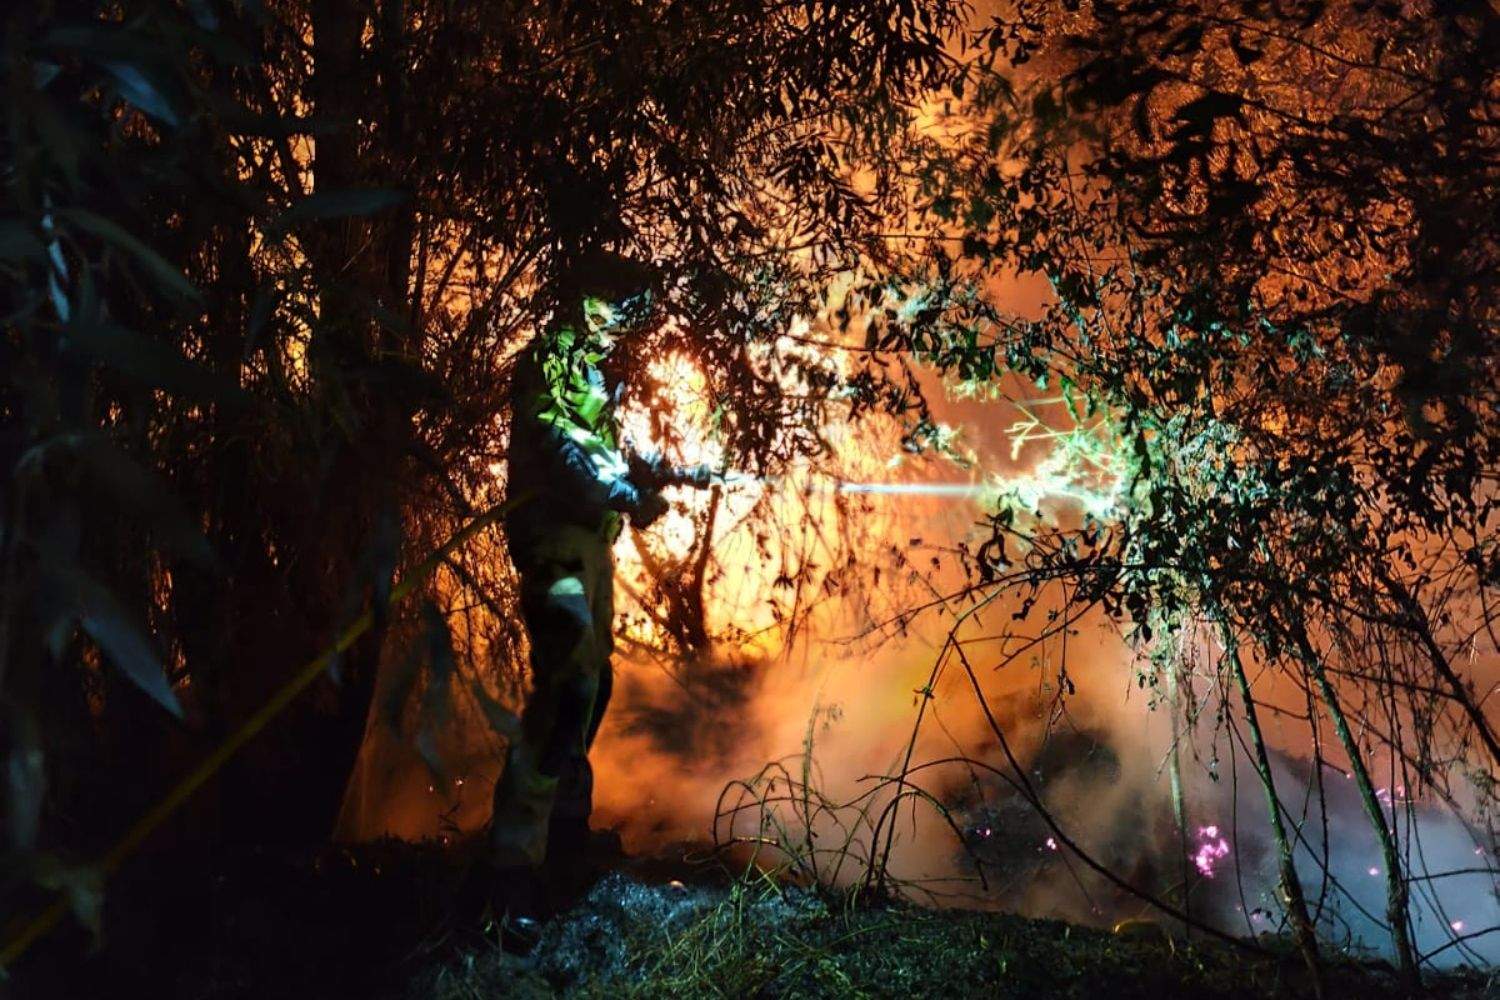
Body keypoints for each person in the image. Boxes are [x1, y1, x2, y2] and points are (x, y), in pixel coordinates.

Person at [483, 250, 704, 929]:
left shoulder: (593, 367)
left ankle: (565, 853)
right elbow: (558, 444)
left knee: (593, 688)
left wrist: (673, 471)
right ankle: (511, 877)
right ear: (589, 301)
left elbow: (612, 447)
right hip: (555, 547)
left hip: (590, 546)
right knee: (567, 692)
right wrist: (616, 490)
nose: (630, 323)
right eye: (620, 306)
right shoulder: (550, 359)